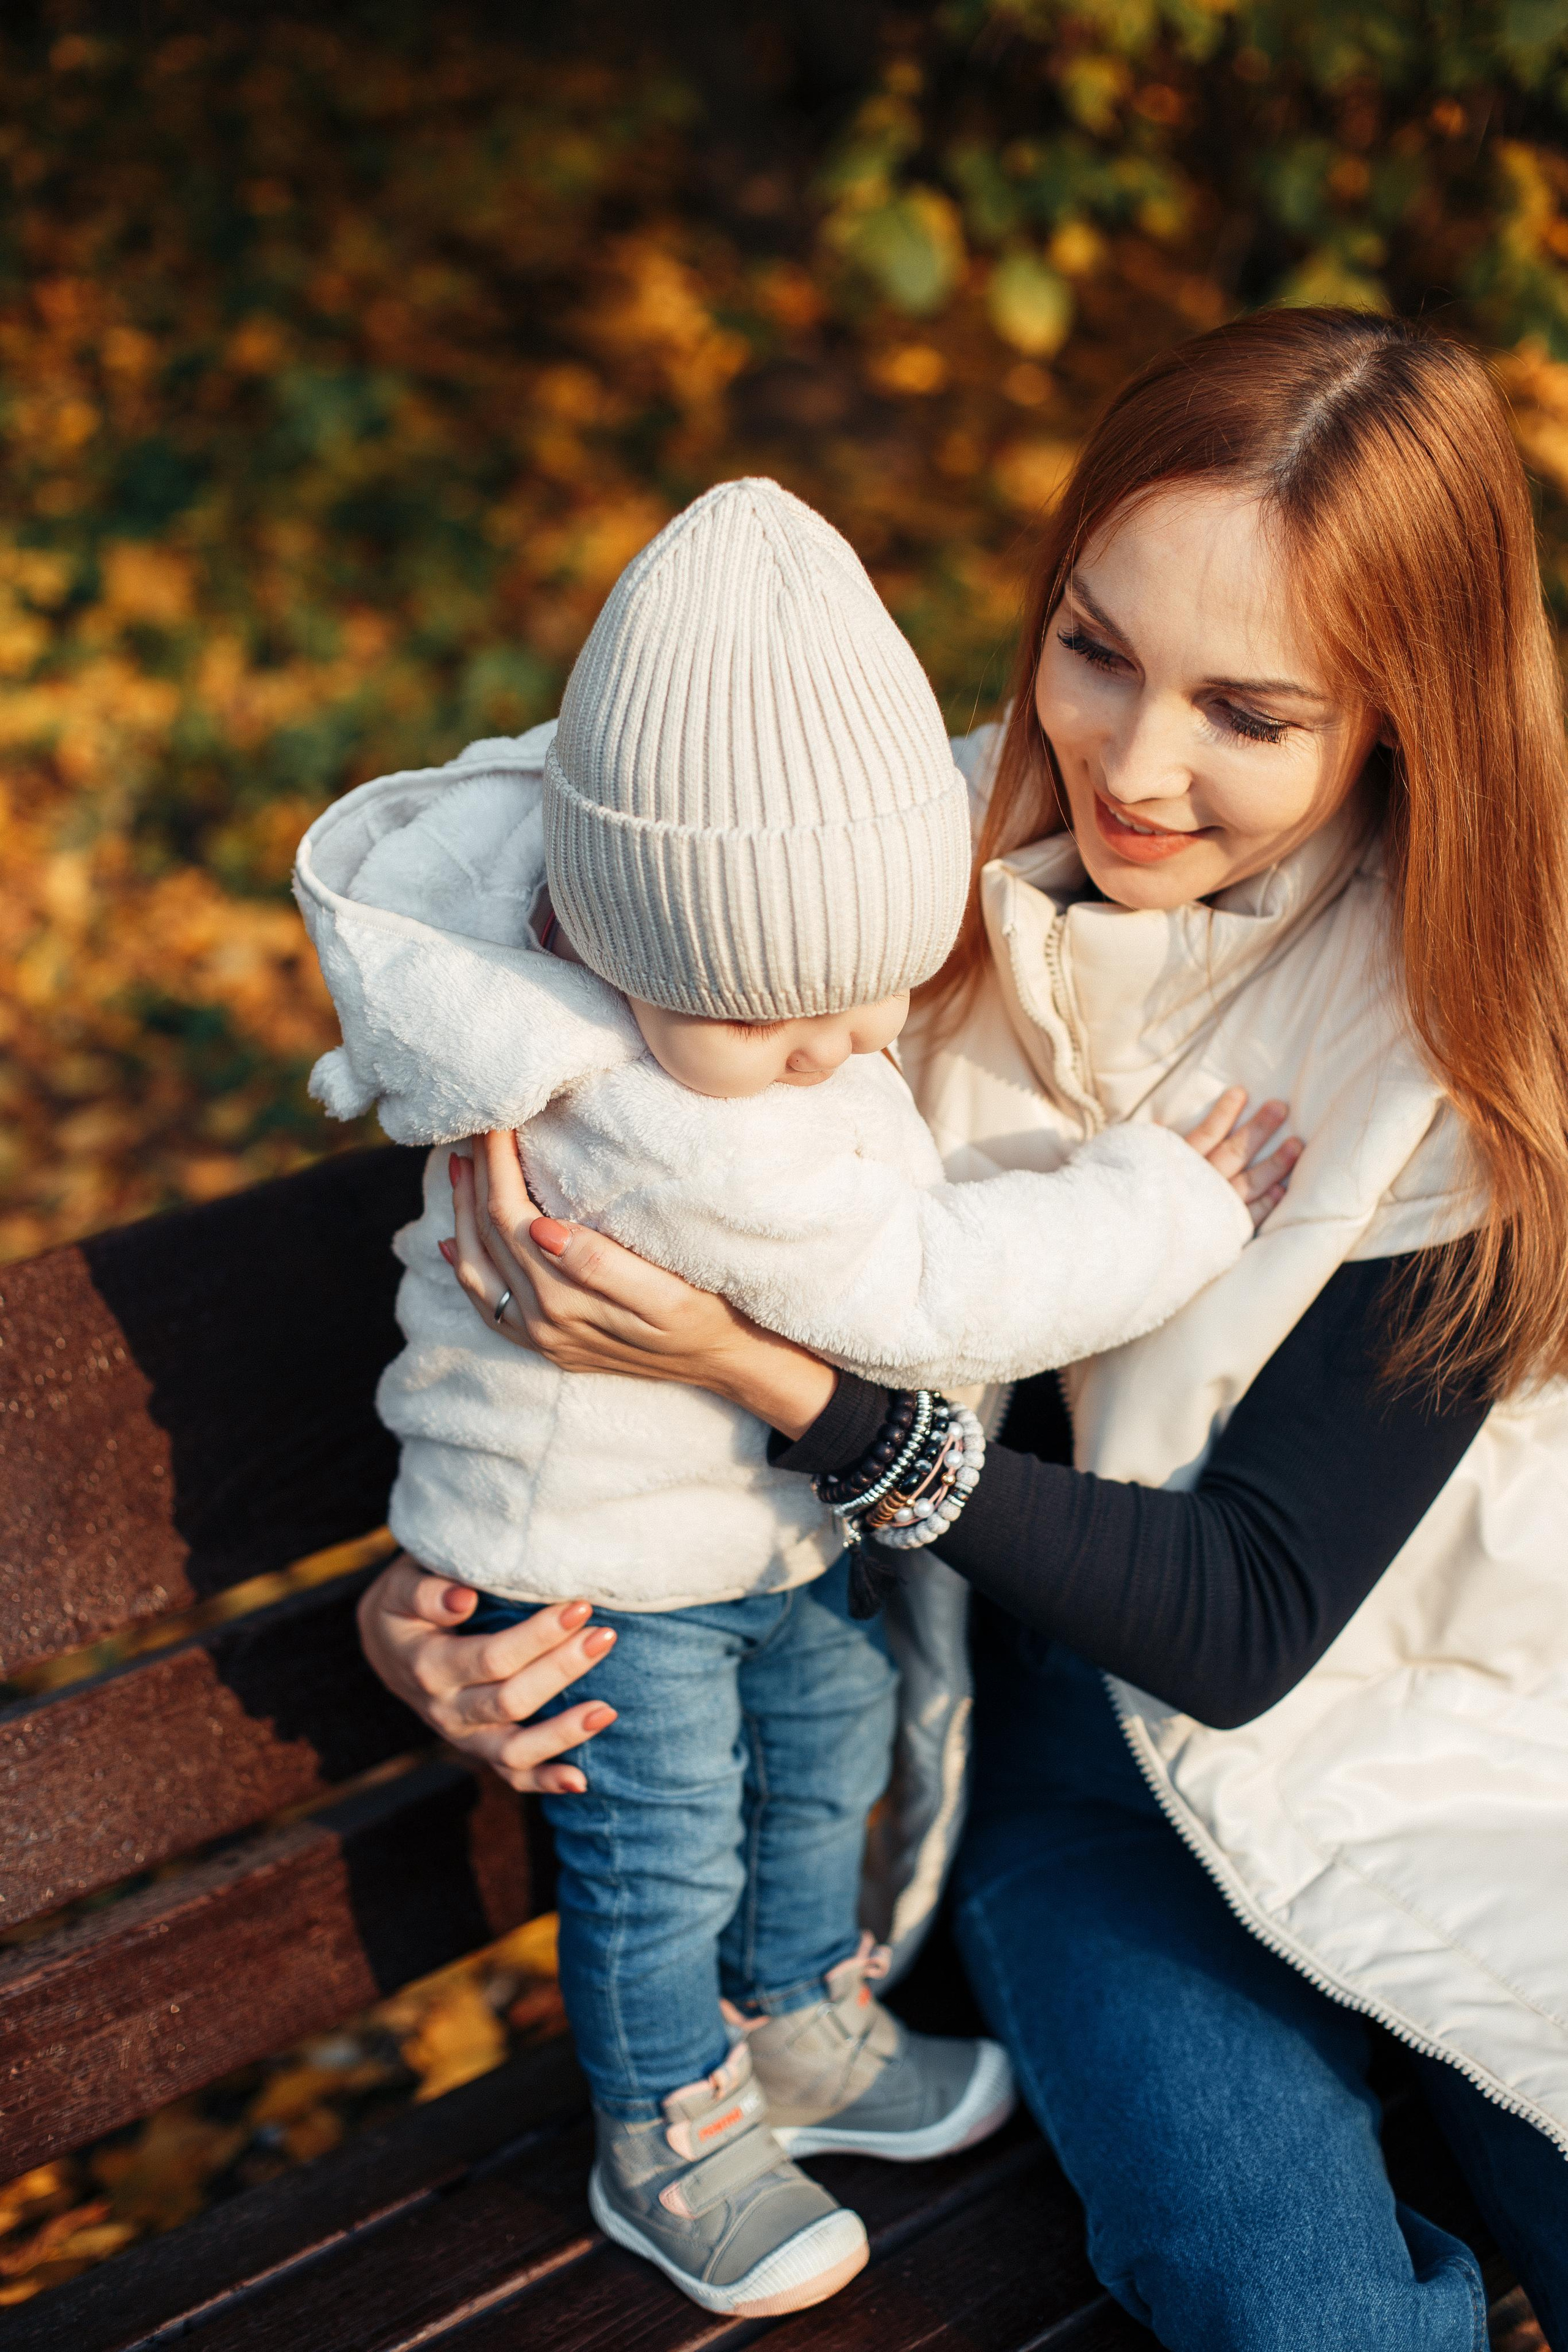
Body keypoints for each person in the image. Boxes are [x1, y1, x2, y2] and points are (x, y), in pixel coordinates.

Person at [356, 309, 1568, 2350]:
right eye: (1094, 648)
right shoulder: (878, 868)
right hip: (1044, 1770)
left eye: (1248, 712)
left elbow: (1248, 1618)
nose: (1133, 763)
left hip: (1433, 1727)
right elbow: (540, 879)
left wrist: (782, 1386)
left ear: (1401, 718)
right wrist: (445, 1565)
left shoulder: (1482, 1035)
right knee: (1303, 2321)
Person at [298, 477, 1291, 2322]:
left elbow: (862, 1180)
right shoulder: (680, 1122)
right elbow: (923, 1293)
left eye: (871, 1001)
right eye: (795, 1026)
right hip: (598, 1564)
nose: (847, 1053)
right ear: (614, 944)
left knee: (826, 1736)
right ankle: (667, 2125)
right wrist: (1176, 1202)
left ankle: (802, 2028)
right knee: (661, 1835)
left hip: (741, 1530)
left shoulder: (728, 1010)